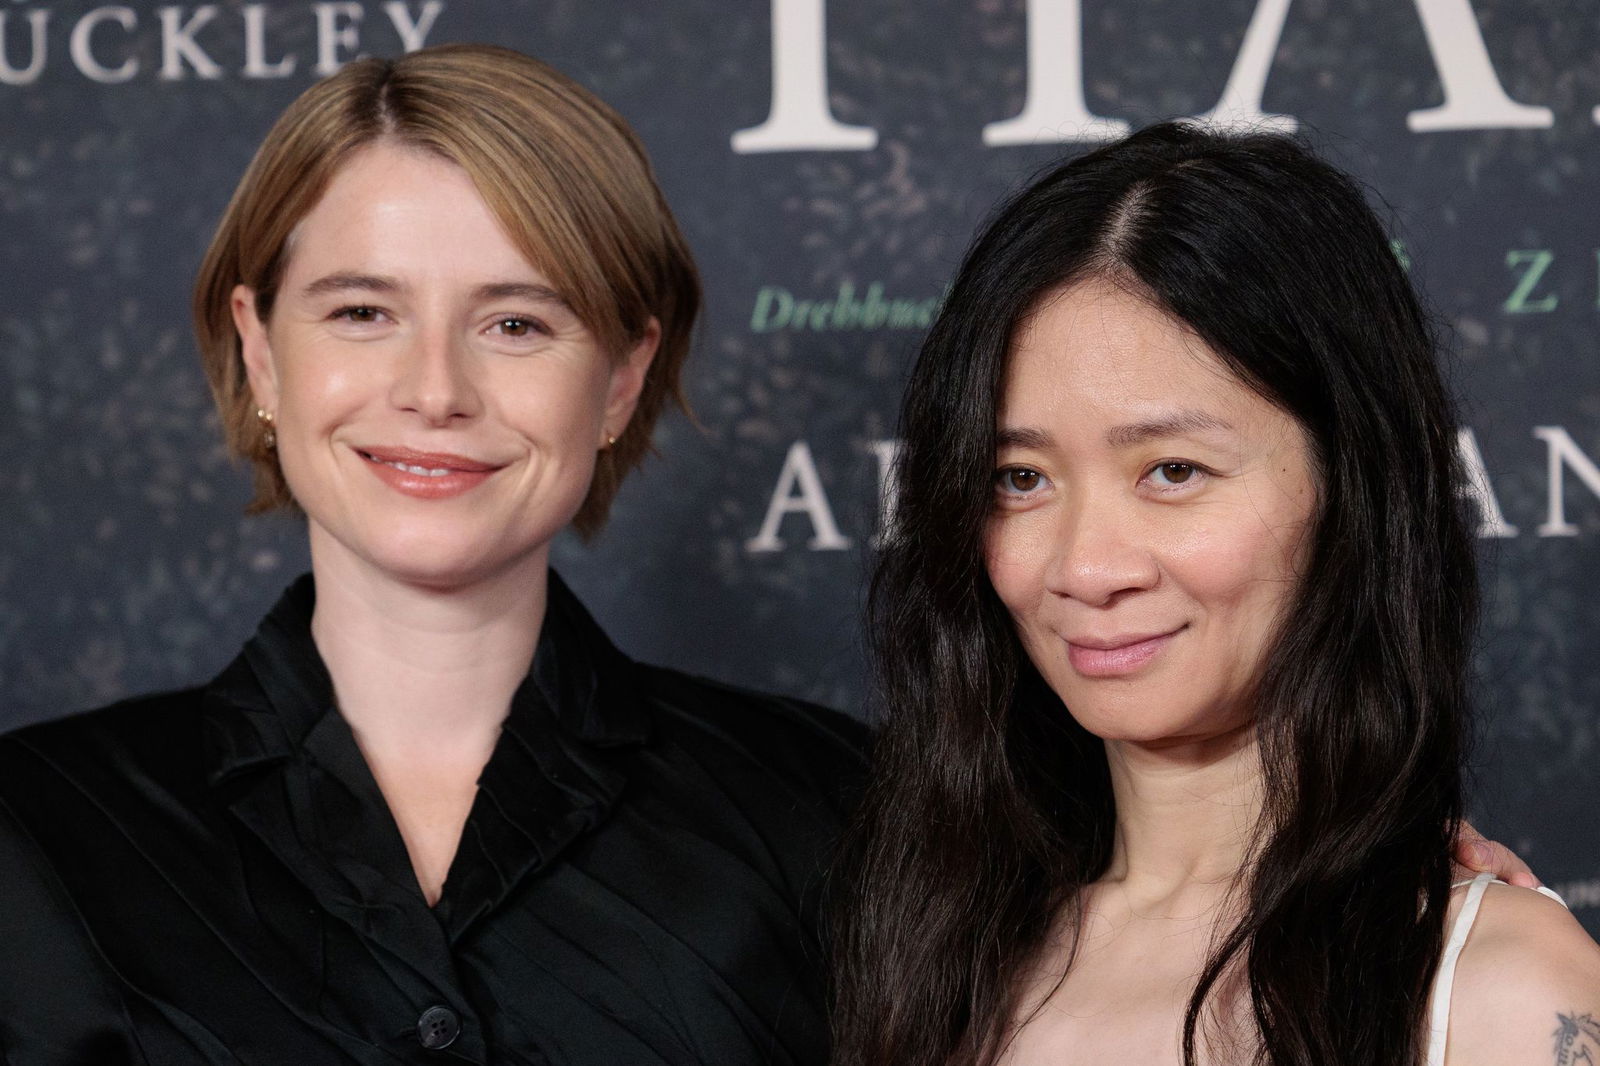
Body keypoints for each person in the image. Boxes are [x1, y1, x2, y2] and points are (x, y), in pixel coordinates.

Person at [0, 44, 866, 1065]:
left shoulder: (835, 808)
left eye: (514, 321)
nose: (435, 389)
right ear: (263, 350)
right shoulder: (32, 834)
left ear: (623, 379)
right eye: (363, 312)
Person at [832, 123, 1600, 1066]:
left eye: (1174, 470)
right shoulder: (937, 960)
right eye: (1020, 479)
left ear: (1351, 487)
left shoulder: (1502, 991)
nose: (1085, 566)